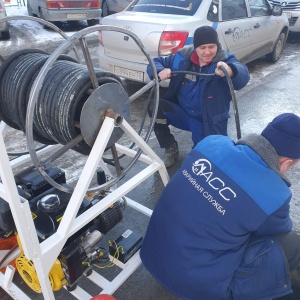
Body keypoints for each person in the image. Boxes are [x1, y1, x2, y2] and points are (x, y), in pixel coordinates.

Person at [140, 113, 300, 300]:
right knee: (292, 244)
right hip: (198, 287)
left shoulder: (212, 143)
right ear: (287, 162)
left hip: (152, 254)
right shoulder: (276, 193)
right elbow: (278, 231)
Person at [147, 26, 250, 167]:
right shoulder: (182, 57)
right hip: (183, 114)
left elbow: (243, 75)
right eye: (202, 47)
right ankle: (170, 146)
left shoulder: (224, 60)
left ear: (217, 45)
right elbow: (154, 62)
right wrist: (160, 70)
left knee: (201, 163)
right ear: (195, 47)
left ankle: (200, 150)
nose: (207, 52)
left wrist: (230, 71)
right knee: (155, 106)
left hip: (207, 122)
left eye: (211, 47)